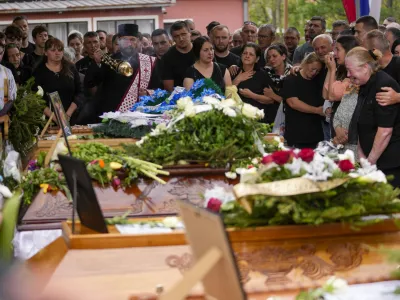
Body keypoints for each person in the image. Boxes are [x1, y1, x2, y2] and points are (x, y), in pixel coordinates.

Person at [346, 47, 400, 186]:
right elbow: (361, 122)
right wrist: (363, 157)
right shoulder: (365, 84)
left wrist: (369, 162)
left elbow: (385, 131)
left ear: (365, 67)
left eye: (350, 70)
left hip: (389, 163)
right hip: (372, 160)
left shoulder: (383, 85)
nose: (347, 74)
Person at [85, 24, 158, 115]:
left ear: (138, 41)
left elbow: (159, 89)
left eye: (132, 39)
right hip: (113, 114)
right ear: (119, 41)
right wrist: (97, 63)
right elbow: (91, 83)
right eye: (125, 40)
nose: (129, 43)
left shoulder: (148, 62)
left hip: (141, 114)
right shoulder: (108, 60)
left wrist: (147, 92)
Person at [33, 38, 82, 124]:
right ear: (45, 52)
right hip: (48, 121)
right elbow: (36, 99)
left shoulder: (71, 68)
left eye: (60, 50)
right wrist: (55, 118)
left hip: (72, 117)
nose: (57, 53)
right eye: (53, 50)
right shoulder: (38, 71)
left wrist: (68, 114)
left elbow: (80, 92)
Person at [283, 53, 325, 148]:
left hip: (316, 134)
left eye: (317, 71)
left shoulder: (317, 80)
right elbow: (293, 103)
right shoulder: (292, 79)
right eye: (312, 69)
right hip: (296, 134)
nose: (314, 73)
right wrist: (317, 110)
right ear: (305, 63)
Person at [323, 35, 360, 142]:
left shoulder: (353, 74)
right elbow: (325, 95)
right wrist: (330, 70)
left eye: (337, 49)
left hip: (348, 131)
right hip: (336, 125)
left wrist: (332, 69)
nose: (334, 53)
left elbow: (332, 96)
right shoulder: (340, 69)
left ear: (348, 51)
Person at [232, 43, 275, 123]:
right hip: (236, 119)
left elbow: (270, 100)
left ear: (257, 59)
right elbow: (226, 94)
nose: (247, 56)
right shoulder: (234, 71)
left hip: (257, 120)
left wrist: (252, 95)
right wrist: (237, 80)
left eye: (251, 54)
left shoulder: (262, 75)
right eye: (245, 53)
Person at [161, 21, 195, 91]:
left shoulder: (201, 50)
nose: (181, 38)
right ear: (173, 38)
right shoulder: (167, 57)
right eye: (176, 36)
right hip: (179, 98)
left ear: (190, 33)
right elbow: (169, 88)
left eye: (183, 34)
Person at [263, 43, 292, 124]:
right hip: (269, 117)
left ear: (283, 56)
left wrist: (273, 96)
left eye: (274, 56)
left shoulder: (293, 73)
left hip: (289, 118)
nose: (271, 59)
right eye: (269, 57)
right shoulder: (265, 72)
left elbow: (292, 102)